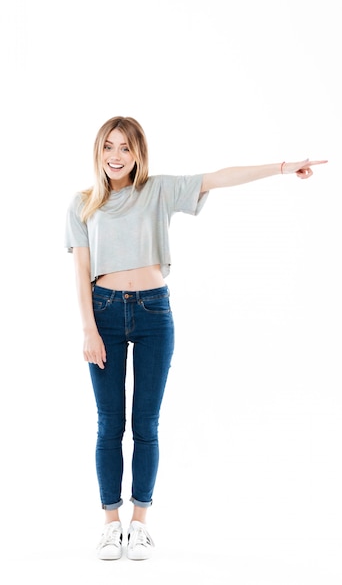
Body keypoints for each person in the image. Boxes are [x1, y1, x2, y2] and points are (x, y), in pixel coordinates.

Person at [65, 115, 327, 561]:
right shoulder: (83, 202)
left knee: (145, 424)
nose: (116, 155)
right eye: (109, 146)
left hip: (153, 314)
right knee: (110, 424)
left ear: (138, 154)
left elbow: (220, 177)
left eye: (126, 148)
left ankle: (140, 524)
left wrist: (282, 167)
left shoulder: (159, 189)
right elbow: (80, 270)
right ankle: (111, 524)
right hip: (104, 313)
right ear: (98, 151)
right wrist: (88, 328)